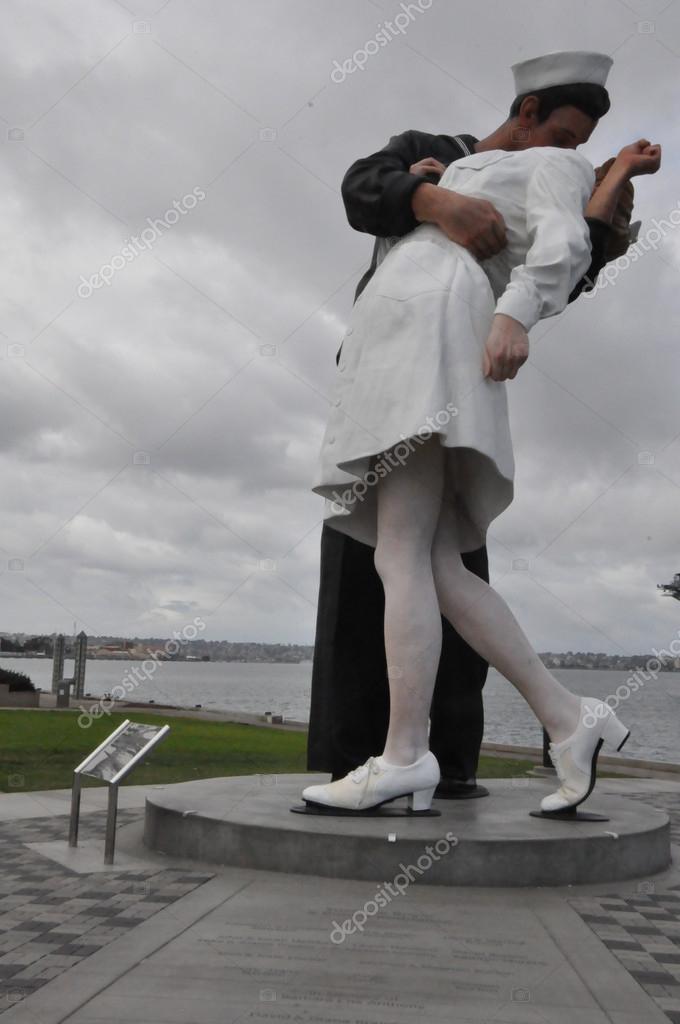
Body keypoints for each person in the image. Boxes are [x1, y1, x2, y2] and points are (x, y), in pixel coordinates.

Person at [302, 51, 661, 815]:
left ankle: (404, 756)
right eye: (561, 131)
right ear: (525, 111)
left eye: (581, 143)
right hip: (404, 334)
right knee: (434, 559)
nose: (569, 148)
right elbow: (364, 188)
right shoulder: (447, 158)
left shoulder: (556, 168)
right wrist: (432, 190)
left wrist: (515, 310)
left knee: (403, 551)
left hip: (428, 330)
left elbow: (564, 251)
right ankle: (569, 719)